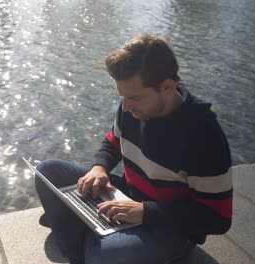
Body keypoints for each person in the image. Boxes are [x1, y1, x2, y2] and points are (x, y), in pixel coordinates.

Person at [35, 34, 232, 264]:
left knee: (104, 255)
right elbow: (113, 143)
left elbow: (218, 219)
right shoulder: (132, 107)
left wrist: (146, 212)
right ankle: (82, 245)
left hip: (170, 228)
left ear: (167, 87)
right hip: (128, 196)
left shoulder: (203, 136)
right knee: (47, 171)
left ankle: (78, 231)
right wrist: (99, 167)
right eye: (123, 97)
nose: (125, 106)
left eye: (134, 97)